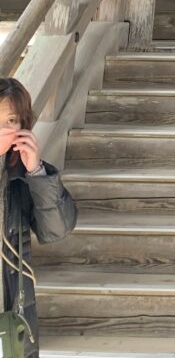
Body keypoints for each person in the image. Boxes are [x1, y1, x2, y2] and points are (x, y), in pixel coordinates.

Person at [0, 77, 77, 358]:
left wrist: (37, 173)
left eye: (10, 120)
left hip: (10, 311)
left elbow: (55, 230)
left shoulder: (22, 174)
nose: (2, 129)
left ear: (23, 127)